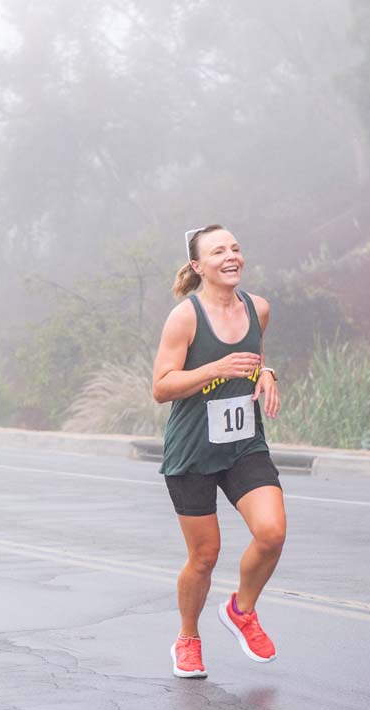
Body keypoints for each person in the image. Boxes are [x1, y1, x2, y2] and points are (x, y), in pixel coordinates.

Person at [152, 224, 284, 679]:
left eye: (235, 248)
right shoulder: (185, 318)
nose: (231, 257)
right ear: (198, 266)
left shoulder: (257, 309)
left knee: (271, 533)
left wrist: (266, 373)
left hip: (244, 443)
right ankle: (188, 637)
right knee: (205, 556)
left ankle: (241, 610)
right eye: (217, 251)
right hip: (193, 451)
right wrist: (216, 367)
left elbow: (256, 353)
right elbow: (161, 387)